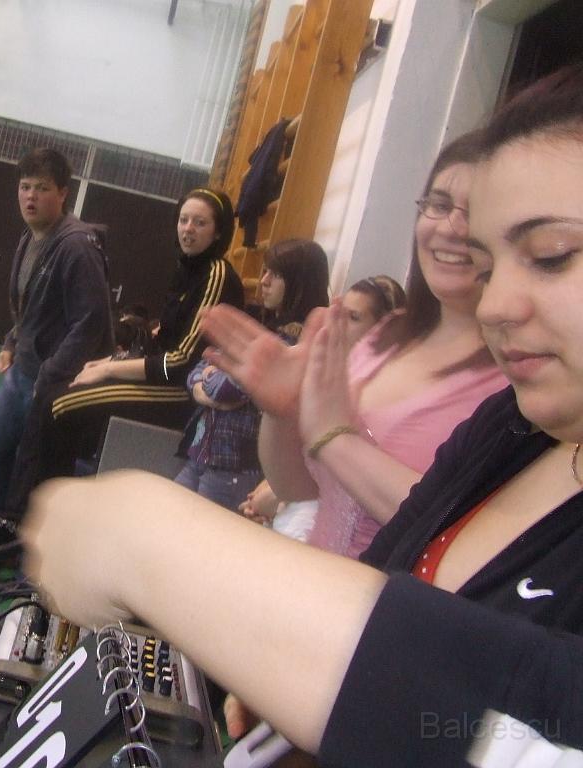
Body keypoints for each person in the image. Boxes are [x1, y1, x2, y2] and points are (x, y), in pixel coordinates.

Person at [21, 63, 583, 766]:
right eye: (490, 264)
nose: (498, 302)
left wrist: (147, 539)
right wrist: (287, 654)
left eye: (552, 256)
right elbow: (372, 553)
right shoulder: (513, 423)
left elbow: (529, 712)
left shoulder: (508, 392)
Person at [208, 131, 508, 559]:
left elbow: (465, 531)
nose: (450, 228)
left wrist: (334, 437)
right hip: (315, 576)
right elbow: (300, 487)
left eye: (475, 211)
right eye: (439, 205)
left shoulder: (518, 376)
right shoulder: (387, 334)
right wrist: (282, 413)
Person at [0, 187, 246, 567]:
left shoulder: (215, 274)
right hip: (163, 379)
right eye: (184, 220)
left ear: (217, 232)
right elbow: (164, 341)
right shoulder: (187, 270)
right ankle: (27, 523)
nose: (188, 229)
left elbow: (181, 363)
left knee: (59, 404)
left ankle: (27, 527)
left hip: (181, 393)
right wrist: (114, 358)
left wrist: (108, 368)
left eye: (200, 223)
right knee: (55, 392)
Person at [0, 148, 113, 574]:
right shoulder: (31, 239)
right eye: (25, 187)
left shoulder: (76, 247)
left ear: (63, 193)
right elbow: (30, 305)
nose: (30, 196)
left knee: (36, 472)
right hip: (24, 371)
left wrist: (53, 374)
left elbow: (91, 322)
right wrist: (11, 341)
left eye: (42, 188)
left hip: (50, 381)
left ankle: (20, 560)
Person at [241, 275, 406, 539]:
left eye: (353, 317)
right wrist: (271, 489)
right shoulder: (325, 371)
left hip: (322, 524)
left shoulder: (382, 394)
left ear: (383, 329)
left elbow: (342, 475)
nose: (337, 323)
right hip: (290, 507)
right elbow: (295, 451)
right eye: (337, 313)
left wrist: (276, 497)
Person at [173, 239, 329, 511]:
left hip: (235, 467)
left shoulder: (297, 342)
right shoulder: (263, 324)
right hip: (202, 453)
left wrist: (207, 381)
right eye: (265, 271)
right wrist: (203, 386)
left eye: (275, 275)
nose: (264, 281)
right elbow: (198, 368)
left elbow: (227, 389)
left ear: (300, 282)